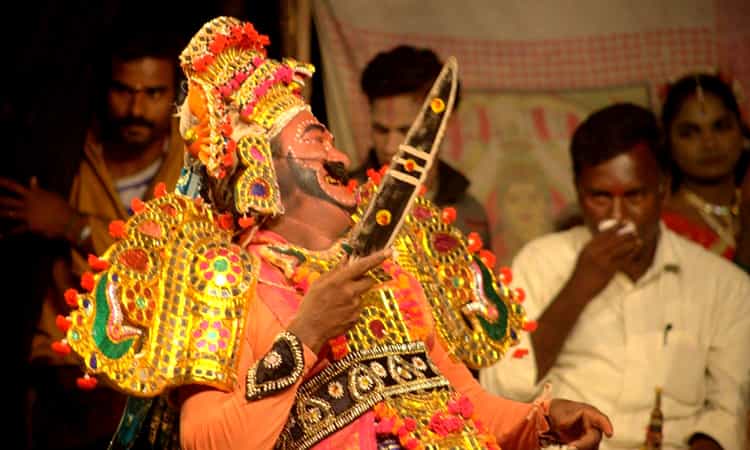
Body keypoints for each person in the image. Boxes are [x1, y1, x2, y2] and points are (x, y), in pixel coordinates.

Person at [55, 17, 614, 450]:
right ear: (260, 163)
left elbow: (464, 404)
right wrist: (305, 336)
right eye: (314, 135)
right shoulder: (224, 278)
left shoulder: (393, 272)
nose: (340, 152)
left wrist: (539, 422)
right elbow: (207, 440)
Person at [480, 103, 750, 450]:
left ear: (663, 189)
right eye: (600, 197)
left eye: (634, 195)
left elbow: (728, 413)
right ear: (579, 191)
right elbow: (502, 390)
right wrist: (578, 288)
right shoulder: (539, 263)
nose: (619, 216)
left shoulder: (724, 285)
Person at [0, 24, 186, 449]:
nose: (136, 108)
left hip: (155, 379)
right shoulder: (67, 158)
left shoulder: (190, 167)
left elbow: (174, 266)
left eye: (153, 94)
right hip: (64, 375)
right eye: (124, 90)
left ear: (174, 96)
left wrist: (76, 226)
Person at [349, 45, 492, 246]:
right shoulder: (345, 201)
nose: (391, 147)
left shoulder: (468, 214)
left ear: (445, 123)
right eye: (381, 130)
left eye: (408, 133)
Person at [659, 72, 750, 267]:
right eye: (689, 133)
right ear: (668, 142)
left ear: (742, 132)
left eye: (721, 127)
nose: (709, 144)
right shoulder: (662, 229)